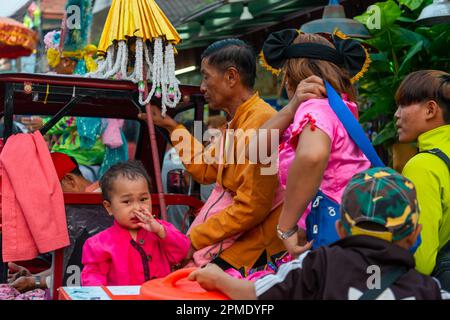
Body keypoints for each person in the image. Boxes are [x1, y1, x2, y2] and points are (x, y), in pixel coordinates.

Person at [189, 167, 450, 300]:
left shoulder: (320, 265)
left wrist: (217, 278)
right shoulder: (430, 290)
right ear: (415, 234)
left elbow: (256, 294)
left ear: (339, 228)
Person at [142, 39, 286, 273]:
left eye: (206, 77)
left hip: (250, 250)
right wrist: (171, 127)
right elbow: (205, 170)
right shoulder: (237, 121)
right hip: (229, 240)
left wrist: (194, 239)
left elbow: (252, 207)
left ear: (231, 77)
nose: (201, 87)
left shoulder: (263, 122)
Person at [256, 29, 372, 256]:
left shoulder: (315, 108)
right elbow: (255, 150)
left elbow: (312, 156)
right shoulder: (340, 108)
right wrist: (291, 107)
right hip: (347, 224)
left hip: (332, 235)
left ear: (289, 77)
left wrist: (285, 227)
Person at [81, 161, 190, 286]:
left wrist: (160, 231)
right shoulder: (99, 244)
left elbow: (183, 251)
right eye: (127, 202)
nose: (137, 208)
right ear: (109, 207)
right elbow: (93, 280)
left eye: (143, 199)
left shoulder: (160, 230)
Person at [394, 70, 450, 275]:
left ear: (430, 110)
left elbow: (420, 262)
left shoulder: (423, 166)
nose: (397, 114)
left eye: (403, 105)